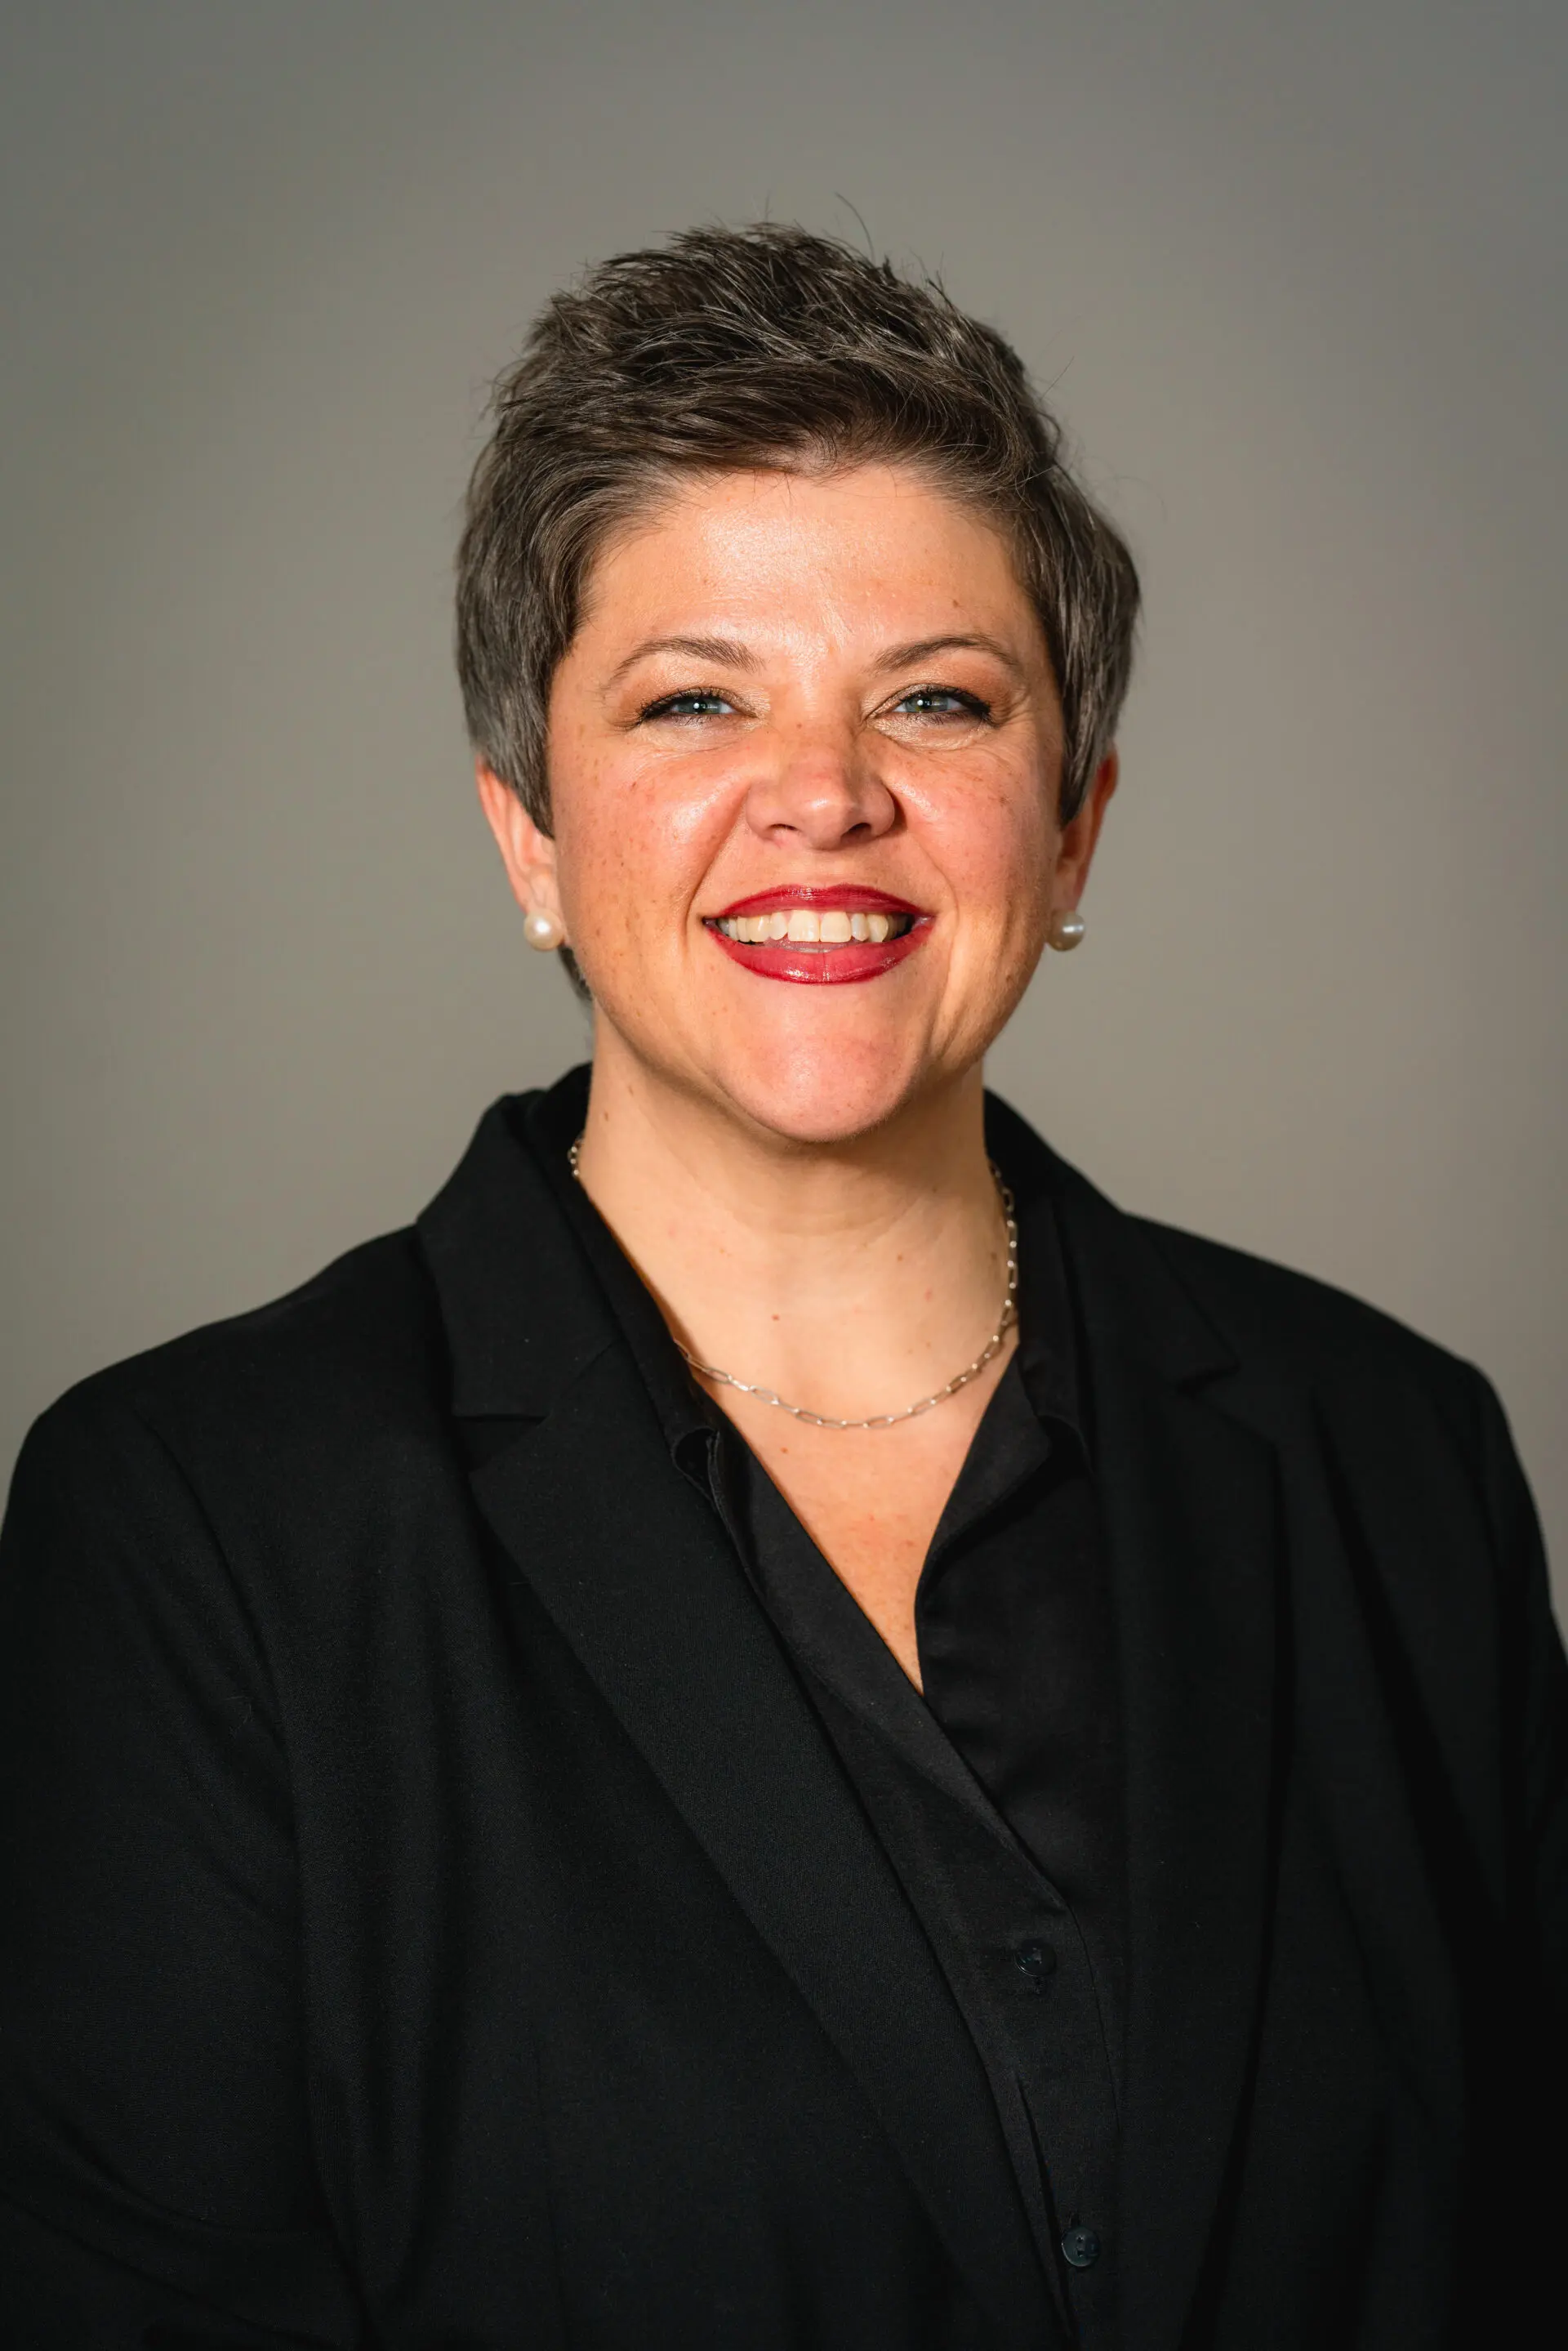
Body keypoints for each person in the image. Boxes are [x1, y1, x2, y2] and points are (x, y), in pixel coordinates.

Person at [1, 223, 1563, 2351]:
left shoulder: (1399, 1462)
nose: (823, 795)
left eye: (935, 697)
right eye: (691, 699)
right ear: (529, 833)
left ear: (1078, 826)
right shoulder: (198, 1530)